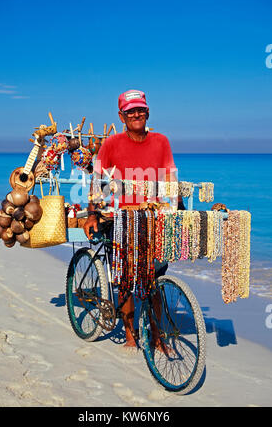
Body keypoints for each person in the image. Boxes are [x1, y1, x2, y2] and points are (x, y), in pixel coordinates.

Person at [84, 89, 184, 350]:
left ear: (147, 112)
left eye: (140, 110)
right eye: (130, 111)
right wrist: (93, 213)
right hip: (122, 218)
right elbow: (98, 179)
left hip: (154, 217)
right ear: (121, 116)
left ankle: (157, 336)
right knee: (126, 280)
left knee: (155, 278)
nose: (136, 115)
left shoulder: (161, 141)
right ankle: (130, 335)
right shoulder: (111, 144)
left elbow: (171, 177)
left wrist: (181, 213)